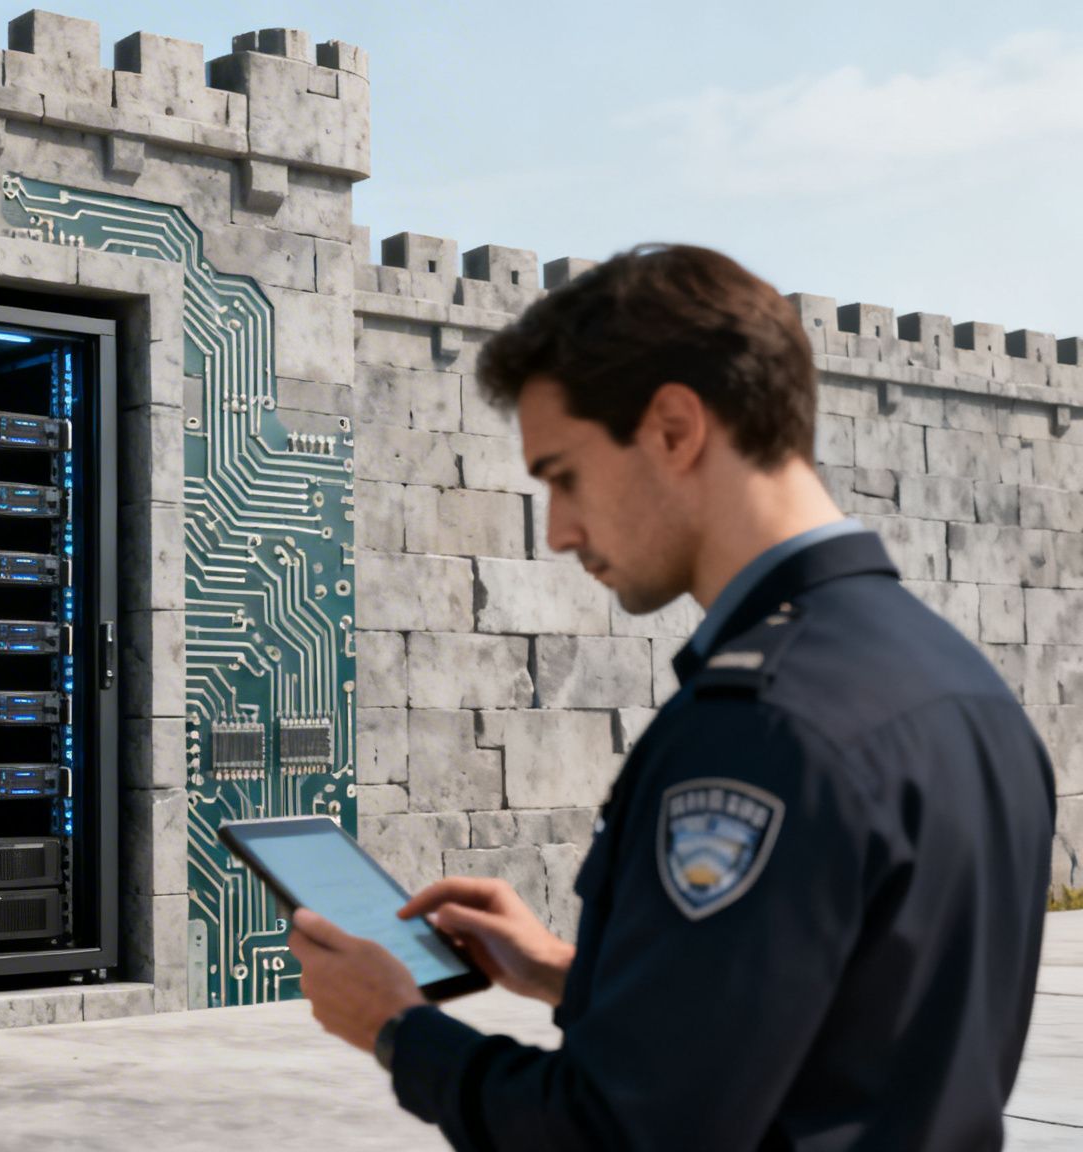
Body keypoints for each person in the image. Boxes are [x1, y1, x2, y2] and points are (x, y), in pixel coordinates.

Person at [290, 244, 1056, 1150]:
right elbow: (841, 1039)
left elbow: (621, 1136)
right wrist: (566, 976)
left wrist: (398, 1028)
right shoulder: (961, 685)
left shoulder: (765, 728)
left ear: (674, 428)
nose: (559, 532)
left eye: (565, 475)